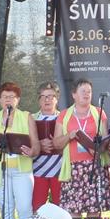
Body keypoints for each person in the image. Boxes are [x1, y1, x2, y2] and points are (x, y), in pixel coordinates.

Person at [0, 82, 40, 219]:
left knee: (24, 210)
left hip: (22, 171)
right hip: (0, 170)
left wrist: (32, 151)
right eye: (5, 97)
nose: (8, 100)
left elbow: (36, 146)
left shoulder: (26, 117)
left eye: (12, 96)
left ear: (18, 100)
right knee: (6, 210)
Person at [52, 79, 110, 217]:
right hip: (74, 169)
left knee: (95, 213)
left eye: (89, 91)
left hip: (95, 167)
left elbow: (106, 141)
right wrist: (69, 136)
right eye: (83, 91)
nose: (86, 94)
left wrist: (99, 148)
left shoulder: (99, 113)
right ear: (74, 94)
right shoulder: (64, 115)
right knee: (72, 213)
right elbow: (56, 144)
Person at [32, 82, 63, 210]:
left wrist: (57, 143)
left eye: (51, 96)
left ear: (57, 99)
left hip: (60, 169)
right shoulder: (31, 118)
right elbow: (25, 142)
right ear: (39, 100)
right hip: (37, 169)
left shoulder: (64, 118)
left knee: (61, 208)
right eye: (43, 96)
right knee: (37, 208)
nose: (47, 100)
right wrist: (39, 144)